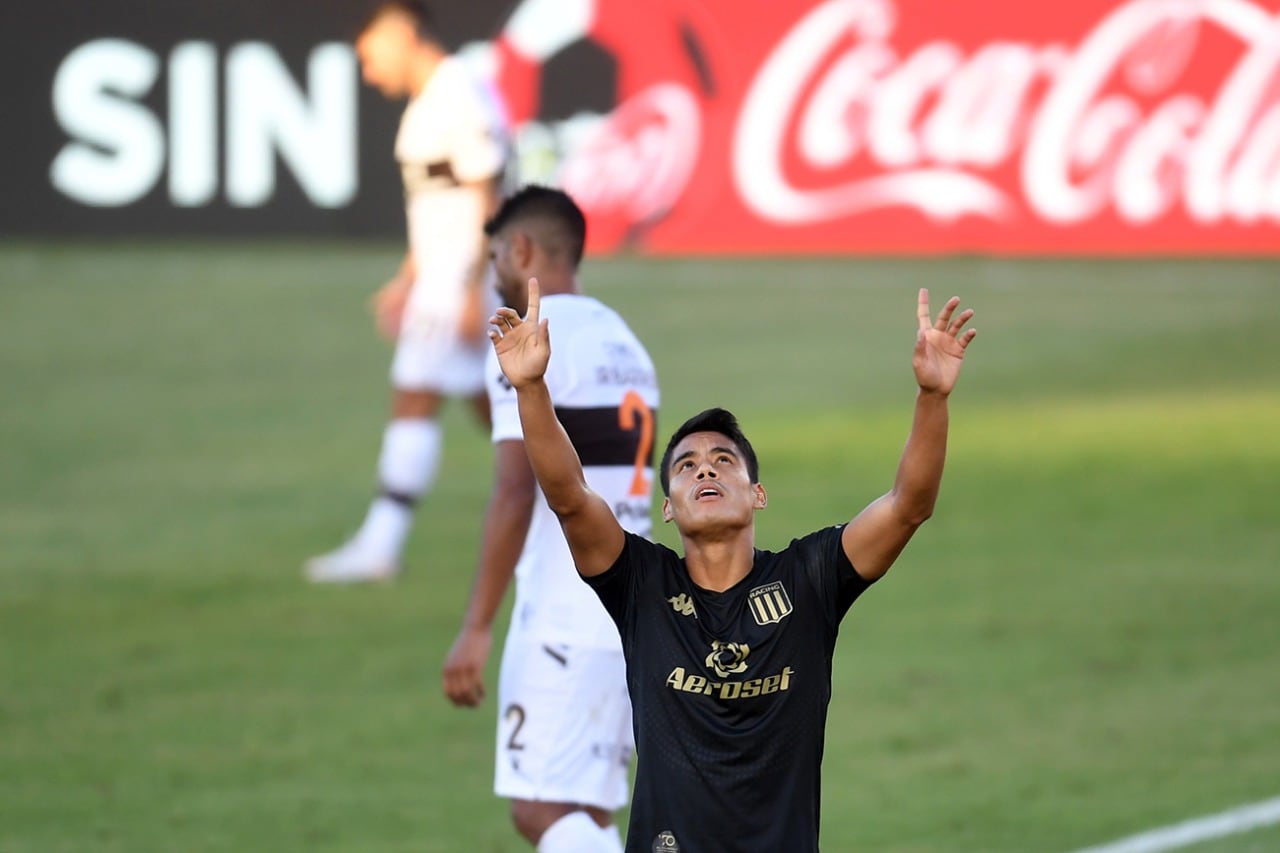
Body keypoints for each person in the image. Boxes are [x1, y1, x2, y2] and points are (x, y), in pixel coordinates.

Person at [488, 281, 976, 851]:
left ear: (757, 494)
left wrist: (933, 398)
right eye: (688, 466)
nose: (706, 472)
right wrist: (531, 388)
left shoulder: (809, 580)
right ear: (666, 507)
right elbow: (570, 496)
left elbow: (908, 506)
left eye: (724, 460)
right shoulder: (640, 586)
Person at [442, 186, 658, 851]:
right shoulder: (624, 340)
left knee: (538, 809)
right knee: (588, 814)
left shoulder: (528, 338)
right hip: (631, 606)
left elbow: (514, 490)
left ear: (526, 249)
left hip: (565, 613)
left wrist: (476, 625)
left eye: (499, 253)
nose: (496, 269)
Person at [307, 1, 511, 582]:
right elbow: (438, 211)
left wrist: (477, 289)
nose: (369, 71)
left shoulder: (460, 94)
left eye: (371, 53)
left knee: (422, 397)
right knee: (496, 409)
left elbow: (488, 199)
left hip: (466, 283)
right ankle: (582, 501)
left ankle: (380, 546)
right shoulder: (431, 104)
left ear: (399, 30)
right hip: (447, 282)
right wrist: (408, 278)